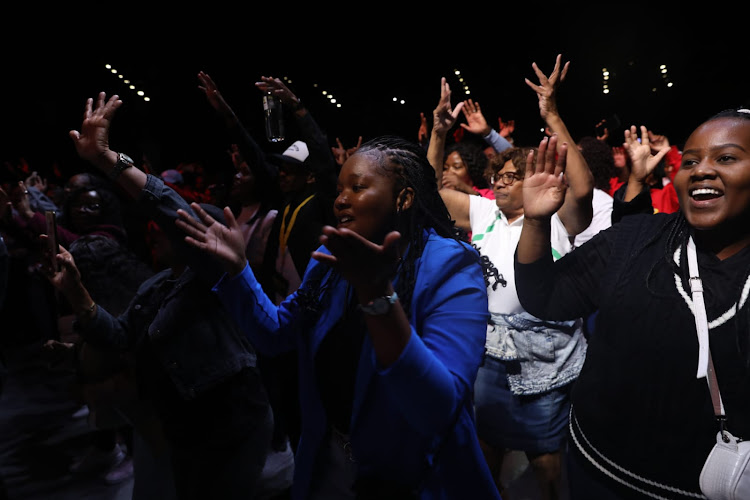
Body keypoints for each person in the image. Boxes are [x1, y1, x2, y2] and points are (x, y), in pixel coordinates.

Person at [175, 134, 502, 499]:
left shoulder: (450, 264)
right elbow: (274, 333)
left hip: (417, 477)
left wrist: (377, 297)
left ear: (403, 198)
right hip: (332, 465)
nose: (341, 200)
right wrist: (238, 271)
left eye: (357, 187)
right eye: (340, 189)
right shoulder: (332, 263)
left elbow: (438, 409)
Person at [46, 91, 274, 500]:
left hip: (230, 426)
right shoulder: (156, 285)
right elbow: (118, 337)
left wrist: (105, 159)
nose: (155, 235)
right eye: (151, 232)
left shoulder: (213, 276)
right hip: (182, 428)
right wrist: (77, 292)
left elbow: (169, 208)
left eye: (163, 231)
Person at [514, 110, 750, 498]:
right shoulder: (634, 239)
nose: (701, 170)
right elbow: (546, 296)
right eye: (690, 161)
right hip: (593, 476)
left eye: (725, 158)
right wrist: (537, 222)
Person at [427, 55, 593, 500]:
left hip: (545, 357)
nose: (500, 183)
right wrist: (441, 134)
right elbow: (425, 197)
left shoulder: (555, 219)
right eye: (497, 177)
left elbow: (581, 189)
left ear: (535, 182)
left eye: (512, 177)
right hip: (490, 355)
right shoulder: (483, 213)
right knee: (487, 447)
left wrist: (552, 116)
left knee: (545, 460)